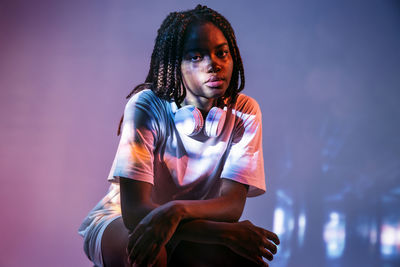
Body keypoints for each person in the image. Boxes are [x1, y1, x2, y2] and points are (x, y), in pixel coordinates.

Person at [78, 4, 280, 267]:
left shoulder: (245, 111)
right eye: (196, 56)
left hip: (189, 223)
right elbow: (135, 212)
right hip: (123, 219)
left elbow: (231, 205)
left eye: (222, 53)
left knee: (247, 262)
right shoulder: (147, 105)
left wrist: (176, 211)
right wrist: (223, 234)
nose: (213, 64)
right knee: (148, 255)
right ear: (175, 64)